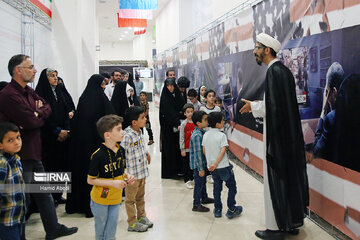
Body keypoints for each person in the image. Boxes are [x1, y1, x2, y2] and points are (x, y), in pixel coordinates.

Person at [0, 54, 78, 239]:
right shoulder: (8, 95)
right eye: (30, 67)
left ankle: (53, 228)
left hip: (34, 152)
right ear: (18, 70)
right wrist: (36, 114)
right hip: (19, 156)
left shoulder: (28, 91)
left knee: (44, 194)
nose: (35, 70)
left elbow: (46, 108)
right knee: (20, 199)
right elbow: (30, 121)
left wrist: (38, 112)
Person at [240, 33, 309, 239]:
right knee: (288, 179)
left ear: (267, 50)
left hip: (278, 139)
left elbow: (273, 107)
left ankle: (275, 227)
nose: (255, 51)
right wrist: (255, 106)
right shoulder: (284, 71)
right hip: (288, 138)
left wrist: (253, 106)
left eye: (257, 47)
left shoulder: (273, 72)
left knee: (275, 183)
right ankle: (289, 222)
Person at [66, 74, 115, 218]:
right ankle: (95, 205)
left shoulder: (83, 98)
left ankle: (77, 204)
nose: (103, 87)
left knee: (82, 172)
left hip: (81, 145)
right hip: (97, 144)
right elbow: (110, 117)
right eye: (102, 84)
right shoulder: (101, 98)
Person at [87, 114, 135, 240]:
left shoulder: (121, 150)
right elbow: (90, 179)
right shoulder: (97, 156)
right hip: (100, 201)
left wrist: (127, 176)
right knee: (101, 229)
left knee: (111, 230)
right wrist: (112, 183)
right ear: (107, 135)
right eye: (118, 129)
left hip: (115, 198)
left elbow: (121, 170)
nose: (123, 132)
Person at [35, 68, 71, 204]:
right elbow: (43, 117)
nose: (55, 78)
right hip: (48, 138)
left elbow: (66, 112)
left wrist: (66, 130)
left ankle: (57, 195)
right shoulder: (40, 95)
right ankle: (47, 199)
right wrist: (56, 131)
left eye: (56, 76)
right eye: (52, 76)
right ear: (45, 78)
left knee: (61, 165)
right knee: (48, 167)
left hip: (62, 136)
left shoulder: (59, 93)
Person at [202, 112, 243, 218]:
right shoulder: (222, 135)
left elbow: (204, 150)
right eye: (222, 121)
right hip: (223, 166)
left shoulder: (205, 135)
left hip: (212, 168)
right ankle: (231, 208)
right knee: (232, 186)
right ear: (217, 124)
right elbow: (223, 151)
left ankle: (218, 209)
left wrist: (211, 163)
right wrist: (216, 163)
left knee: (217, 187)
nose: (223, 122)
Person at [120, 106, 153, 232]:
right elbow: (121, 154)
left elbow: (142, 146)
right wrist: (124, 172)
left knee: (141, 197)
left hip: (142, 172)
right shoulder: (127, 136)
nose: (145, 119)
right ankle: (132, 222)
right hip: (132, 175)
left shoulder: (139, 132)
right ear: (134, 122)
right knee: (130, 200)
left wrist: (147, 153)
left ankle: (141, 217)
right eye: (142, 117)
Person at [0, 122, 25, 240]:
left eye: (18, 137)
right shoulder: (2, 164)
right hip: (6, 220)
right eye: (10, 140)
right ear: (0, 145)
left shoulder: (16, 159)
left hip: (18, 216)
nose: (17, 142)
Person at [159, 78, 185, 179]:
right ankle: (170, 172)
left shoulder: (177, 95)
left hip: (178, 128)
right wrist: (176, 121)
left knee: (178, 149)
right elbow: (168, 112)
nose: (170, 88)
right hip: (168, 128)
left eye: (172, 85)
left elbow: (182, 107)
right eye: (168, 86)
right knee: (169, 149)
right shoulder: (165, 97)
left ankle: (179, 170)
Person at [190, 111, 214, 212]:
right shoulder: (197, 136)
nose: (207, 121)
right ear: (198, 123)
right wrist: (200, 168)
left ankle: (204, 198)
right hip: (198, 165)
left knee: (203, 182)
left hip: (202, 164)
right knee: (199, 184)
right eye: (205, 120)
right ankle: (196, 204)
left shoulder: (202, 132)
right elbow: (198, 154)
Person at [179, 103, 196, 189]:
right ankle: (187, 180)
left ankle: (193, 178)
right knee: (186, 165)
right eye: (188, 112)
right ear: (185, 113)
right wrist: (182, 149)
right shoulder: (184, 124)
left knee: (193, 165)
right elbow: (181, 137)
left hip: (195, 149)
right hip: (186, 149)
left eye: (192, 111)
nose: (190, 113)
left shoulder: (196, 123)